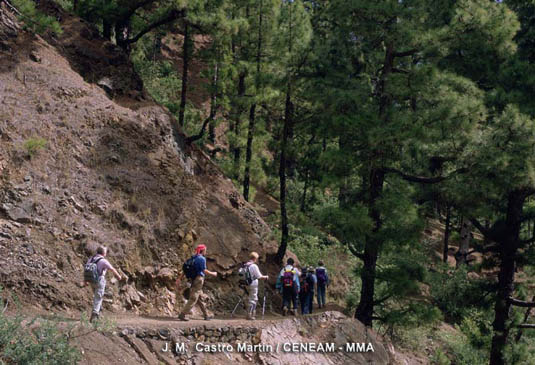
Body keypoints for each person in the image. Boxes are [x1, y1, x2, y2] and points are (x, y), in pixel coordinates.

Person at [83, 246, 126, 323]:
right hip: (99, 280)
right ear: (103, 253)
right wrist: (118, 276)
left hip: (91, 280)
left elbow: (86, 269)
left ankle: (98, 312)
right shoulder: (103, 261)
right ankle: (95, 315)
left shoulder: (91, 259)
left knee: (97, 296)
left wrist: (85, 281)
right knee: (98, 298)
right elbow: (112, 269)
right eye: (105, 251)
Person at [178, 244, 217, 321]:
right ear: (202, 250)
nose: (206, 251)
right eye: (205, 250)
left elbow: (184, 270)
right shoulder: (202, 259)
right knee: (194, 298)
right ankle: (183, 314)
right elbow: (204, 270)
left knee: (198, 297)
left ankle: (206, 315)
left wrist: (179, 279)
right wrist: (213, 273)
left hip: (192, 279)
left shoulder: (192, 258)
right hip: (199, 279)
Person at [243, 252, 269, 320]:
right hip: (253, 284)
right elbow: (259, 276)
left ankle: (251, 314)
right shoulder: (254, 266)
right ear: (255, 258)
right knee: (253, 299)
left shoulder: (245, 265)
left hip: (245, 283)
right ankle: (250, 315)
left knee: (251, 298)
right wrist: (266, 277)